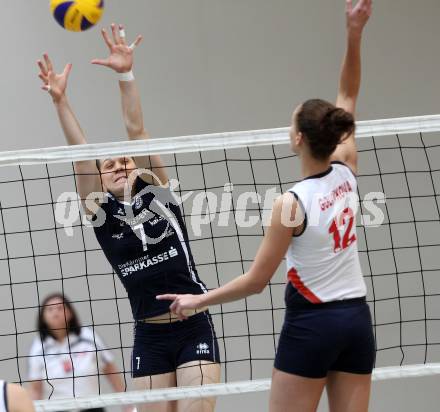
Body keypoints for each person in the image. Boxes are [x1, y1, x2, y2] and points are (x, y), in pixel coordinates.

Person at [158, 1, 374, 411]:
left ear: (297, 140)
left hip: (313, 325)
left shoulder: (290, 204)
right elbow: (348, 93)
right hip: (355, 322)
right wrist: (354, 32)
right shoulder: (347, 168)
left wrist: (196, 300)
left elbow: (257, 281)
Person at [37, 23, 220, 412]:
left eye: (125, 160)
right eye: (110, 164)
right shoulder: (102, 215)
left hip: (193, 327)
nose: (120, 164)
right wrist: (60, 101)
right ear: (100, 180)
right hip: (149, 337)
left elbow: (136, 131)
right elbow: (82, 155)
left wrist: (125, 74)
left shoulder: (160, 196)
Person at [28, 293, 129, 412]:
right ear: (43, 317)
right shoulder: (38, 347)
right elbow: (35, 389)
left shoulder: (88, 337)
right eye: (50, 309)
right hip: (57, 409)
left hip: (91, 407)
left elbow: (111, 371)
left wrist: (127, 403)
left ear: (70, 313)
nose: (55, 313)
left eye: (60, 308)